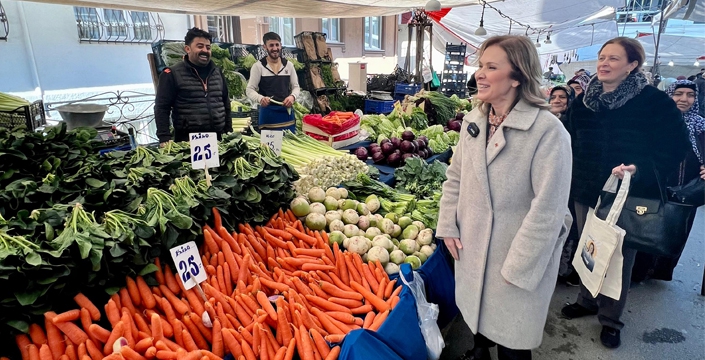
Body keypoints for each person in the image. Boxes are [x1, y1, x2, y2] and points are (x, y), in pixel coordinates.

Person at [437, 35, 573, 360]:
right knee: (480, 324)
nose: (479, 74)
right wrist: (448, 224)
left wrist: (517, 269)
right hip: (472, 248)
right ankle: (478, 351)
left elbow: (549, 211)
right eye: (480, 65)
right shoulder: (474, 121)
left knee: (513, 344)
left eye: (491, 67)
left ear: (516, 77)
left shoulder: (548, 132)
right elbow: (455, 177)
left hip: (514, 259)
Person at [561, 37, 690, 349]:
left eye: (613, 59)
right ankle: (587, 299)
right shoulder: (584, 101)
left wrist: (638, 169)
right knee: (588, 245)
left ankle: (611, 319)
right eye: (602, 57)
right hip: (585, 187)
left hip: (628, 192)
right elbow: (566, 138)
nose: (603, 63)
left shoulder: (652, 102)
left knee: (619, 255)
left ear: (633, 65)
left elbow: (677, 147)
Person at [631, 80, 705, 282]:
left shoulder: (701, 126)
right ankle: (638, 271)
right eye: (678, 93)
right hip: (655, 185)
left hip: (687, 192)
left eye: (690, 95)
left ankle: (660, 271)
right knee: (644, 225)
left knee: (674, 228)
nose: (684, 99)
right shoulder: (657, 121)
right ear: (668, 95)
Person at [155, 27, 232, 144]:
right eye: (200, 46)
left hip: (218, 140)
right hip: (188, 141)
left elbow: (226, 104)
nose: (205, 51)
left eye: (208, 47)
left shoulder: (217, 72)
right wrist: (164, 137)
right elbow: (161, 108)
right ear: (187, 49)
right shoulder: (172, 74)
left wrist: (228, 131)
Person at [246, 32, 301, 131]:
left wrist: (292, 97)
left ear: (280, 45)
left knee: (291, 144)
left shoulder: (289, 65)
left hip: (286, 114)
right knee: (269, 145)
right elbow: (249, 89)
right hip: (268, 115)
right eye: (271, 45)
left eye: (277, 45)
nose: (275, 48)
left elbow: (296, 87)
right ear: (265, 47)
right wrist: (260, 98)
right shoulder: (258, 66)